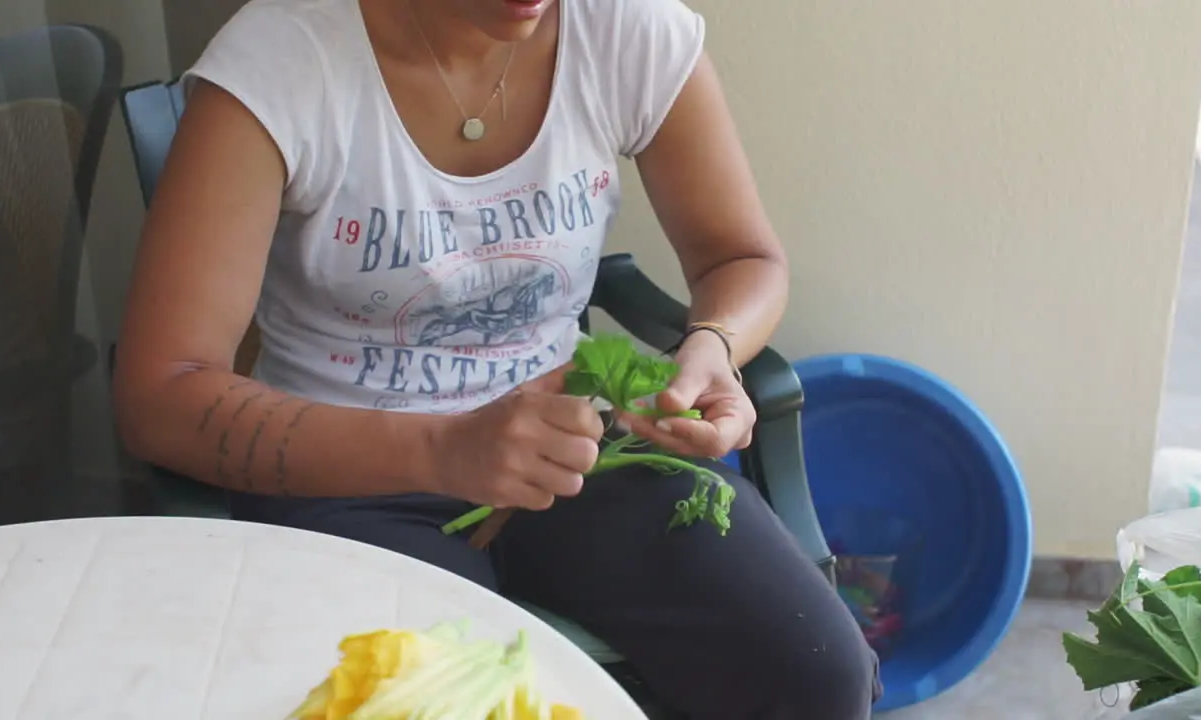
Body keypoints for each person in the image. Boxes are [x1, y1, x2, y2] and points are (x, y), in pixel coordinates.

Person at [113, 0, 881, 716]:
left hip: (578, 444)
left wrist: (710, 345)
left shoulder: (623, 31)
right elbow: (159, 395)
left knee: (815, 675)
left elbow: (742, 258)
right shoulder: (283, 61)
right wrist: (444, 449)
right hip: (345, 472)